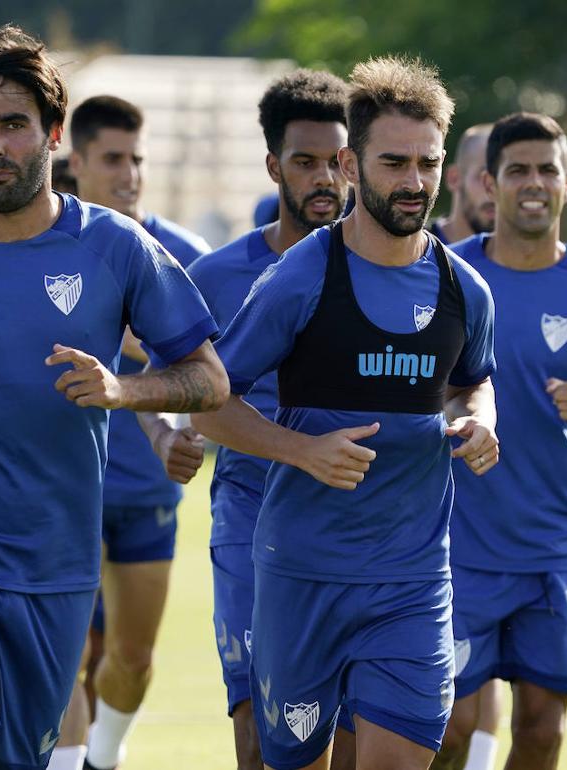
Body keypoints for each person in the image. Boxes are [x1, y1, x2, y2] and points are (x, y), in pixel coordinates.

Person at [0, 25, 228, 770]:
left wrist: (124, 390)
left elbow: (208, 376)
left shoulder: (115, 247)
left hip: (55, 563)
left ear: (53, 133)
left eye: (14, 126)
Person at [193, 55, 497, 770]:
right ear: (352, 166)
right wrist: (300, 451)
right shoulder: (301, 276)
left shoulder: (465, 290)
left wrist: (481, 418)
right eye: (395, 162)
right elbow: (210, 402)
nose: (415, 181)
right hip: (303, 578)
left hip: (412, 582)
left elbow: (475, 381)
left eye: (427, 162)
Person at [432, 113, 567, 770]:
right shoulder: (446, 275)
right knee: (448, 729)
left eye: (546, 170)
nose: (534, 183)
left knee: (541, 731)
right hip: (456, 544)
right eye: (518, 170)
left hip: (552, 548)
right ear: (488, 184)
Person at [162, 68, 348, 770]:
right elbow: (182, 391)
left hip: (357, 526)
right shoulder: (213, 276)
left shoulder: (388, 271)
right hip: (249, 517)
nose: (325, 177)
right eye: (305, 162)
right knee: (259, 738)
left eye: (336, 160)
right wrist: (169, 435)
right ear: (274, 165)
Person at [64, 93, 215, 770]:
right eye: (113, 159)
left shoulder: (184, 256)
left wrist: (185, 430)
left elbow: (213, 373)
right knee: (66, 653)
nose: (130, 175)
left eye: (138, 160)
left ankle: (103, 756)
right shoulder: (49, 248)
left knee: (132, 657)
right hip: (63, 488)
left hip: (147, 490)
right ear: (77, 163)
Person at [429, 123, 495, 244]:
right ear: (454, 178)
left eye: (503, 178)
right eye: (484, 177)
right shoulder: (413, 252)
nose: (495, 190)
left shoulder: (527, 257)